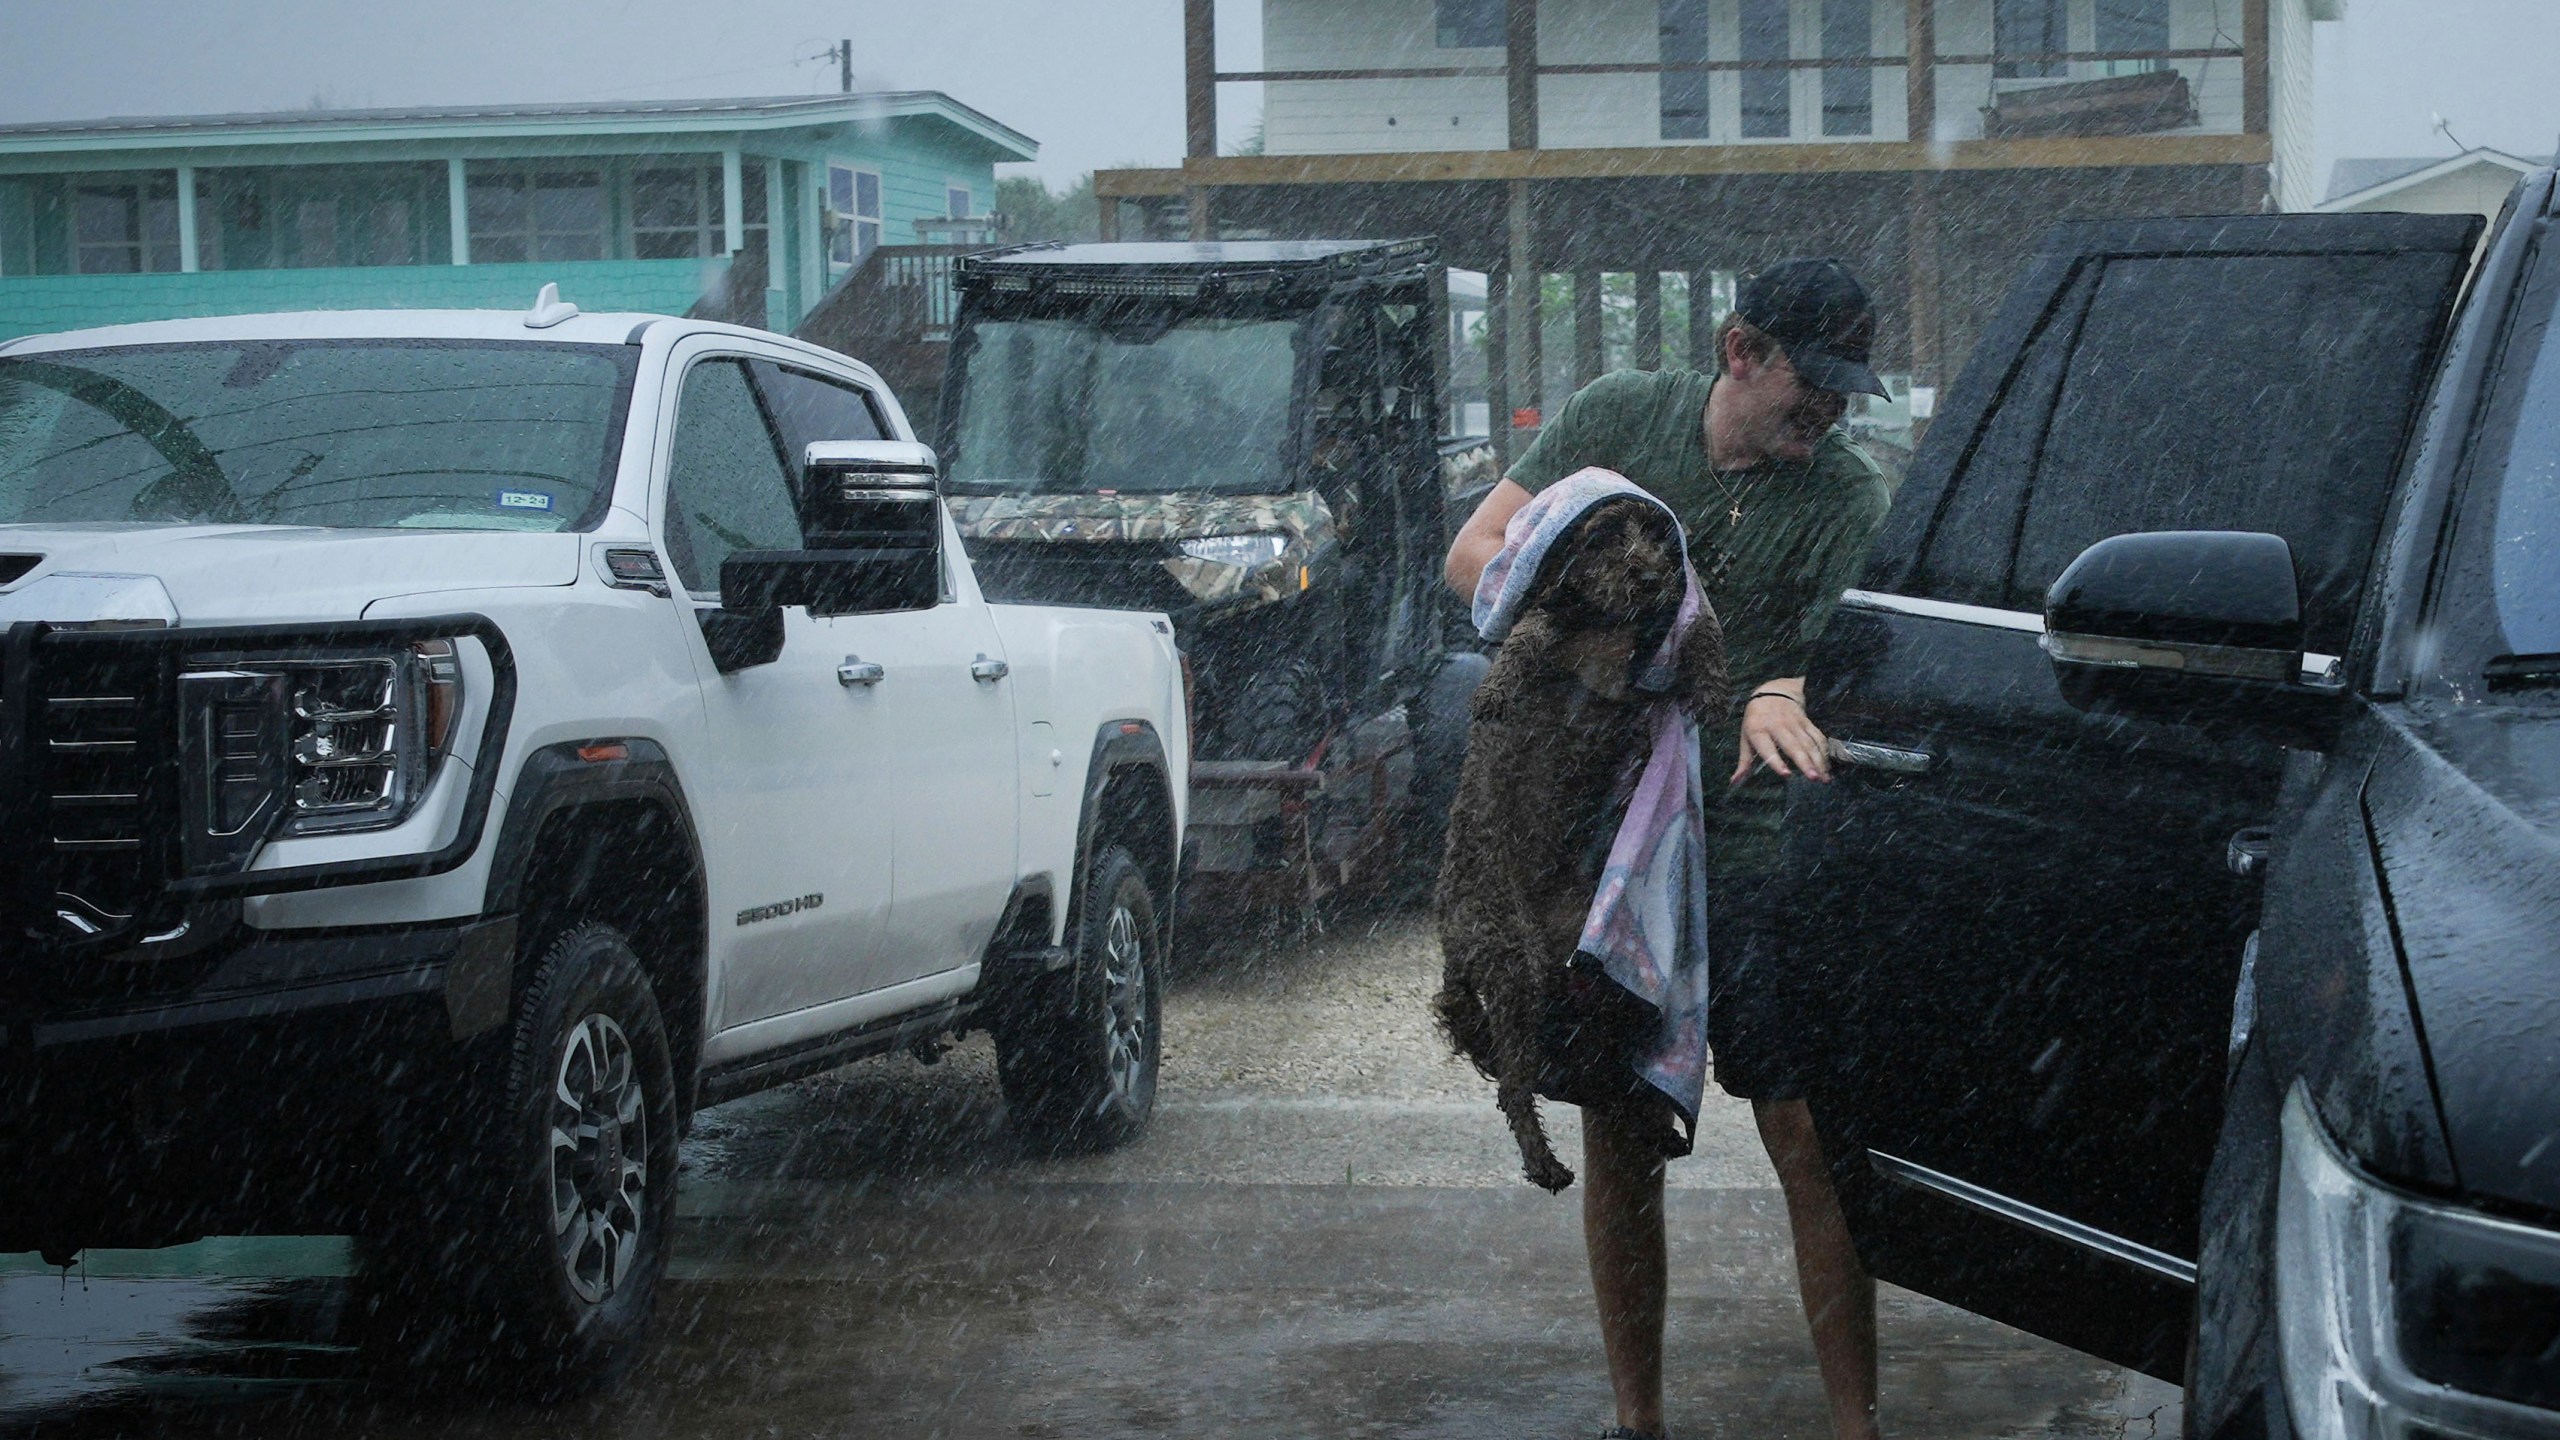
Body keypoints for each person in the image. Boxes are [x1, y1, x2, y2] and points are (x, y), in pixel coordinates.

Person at [1443, 258, 1898, 1440]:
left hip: (1756, 867)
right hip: (1612, 864)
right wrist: (1599, 632)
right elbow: (1475, 551)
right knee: (1621, 1135)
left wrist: (1777, 692)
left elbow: (1833, 665)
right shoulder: (1616, 421)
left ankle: (1857, 1425)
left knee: (1806, 1138)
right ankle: (1636, 1419)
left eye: (1849, 391)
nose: (1831, 414)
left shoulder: (1848, 501)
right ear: (1741, 351)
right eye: (1814, 385)